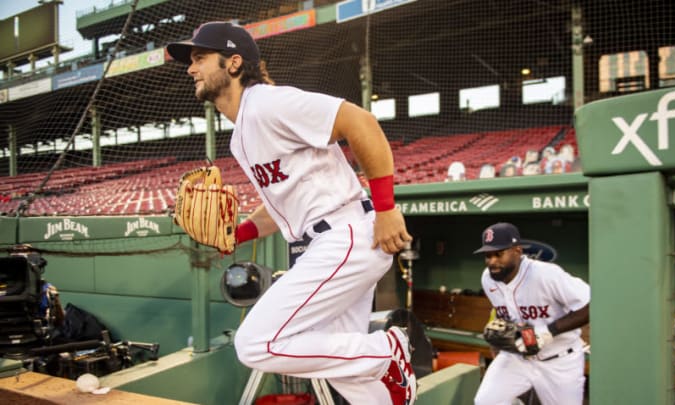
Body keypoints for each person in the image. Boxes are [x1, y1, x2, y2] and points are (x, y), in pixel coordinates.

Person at [166, 21, 416, 405]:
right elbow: (282, 204)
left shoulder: (268, 102)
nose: (190, 68)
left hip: (345, 236)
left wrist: (386, 209)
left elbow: (359, 121)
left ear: (234, 63)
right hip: (326, 240)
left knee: (256, 343)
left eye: (200, 58)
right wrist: (240, 235)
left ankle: (386, 351)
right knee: (346, 370)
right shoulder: (241, 134)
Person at [473, 222, 590, 405]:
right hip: (516, 357)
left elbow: (592, 304)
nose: (492, 261)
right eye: (487, 255)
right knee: (486, 401)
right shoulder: (488, 279)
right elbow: (504, 313)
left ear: (517, 250)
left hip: (559, 361)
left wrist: (547, 332)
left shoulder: (546, 275)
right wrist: (499, 342)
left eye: (498, 254)